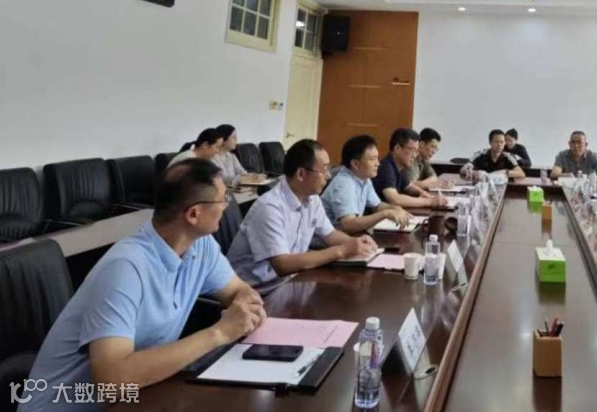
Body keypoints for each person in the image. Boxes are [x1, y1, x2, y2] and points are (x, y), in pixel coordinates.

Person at [21, 160, 266, 412]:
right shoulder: (126, 267)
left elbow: (238, 291)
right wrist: (219, 333)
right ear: (194, 214)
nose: (226, 204)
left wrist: (246, 307)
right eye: (223, 198)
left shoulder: (201, 246)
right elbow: (111, 381)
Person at [227, 139, 378, 293]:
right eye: (324, 170)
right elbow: (283, 265)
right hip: (256, 293)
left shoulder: (312, 199)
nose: (328, 176)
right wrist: (342, 251)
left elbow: (330, 235)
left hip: (288, 283)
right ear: (301, 174)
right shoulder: (270, 208)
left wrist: (356, 243)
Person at [322, 135, 412, 233]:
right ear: (355, 164)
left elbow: (377, 206)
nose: (378, 163)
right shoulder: (344, 184)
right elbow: (348, 224)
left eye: (377, 158)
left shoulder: (364, 179)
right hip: (329, 240)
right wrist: (385, 214)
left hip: (348, 236)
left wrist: (395, 209)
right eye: (373, 159)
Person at [374, 128, 436, 208]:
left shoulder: (400, 166)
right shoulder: (385, 167)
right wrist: (430, 202)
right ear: (397, 148)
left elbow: (408, 186)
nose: (414, 155)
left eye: (416, 151)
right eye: (412, 150)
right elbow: (394, 199)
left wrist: (422, 193)